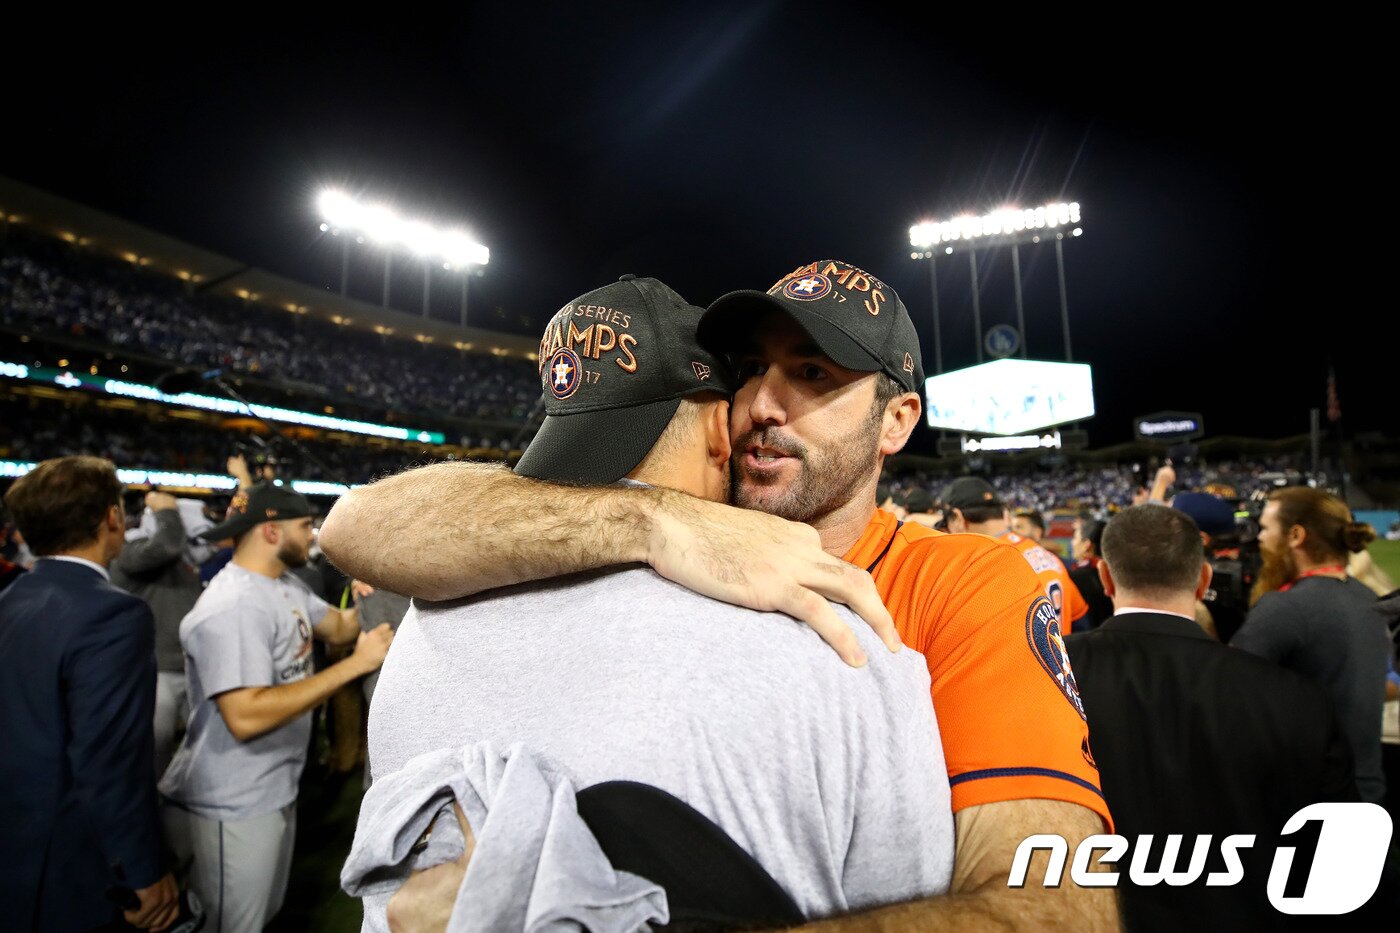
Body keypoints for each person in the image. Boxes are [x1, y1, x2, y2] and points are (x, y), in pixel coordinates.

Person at [322, 260, 1116, 928]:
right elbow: (359, 523)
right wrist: (652, 520)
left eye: (812, 374)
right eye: (750, 370)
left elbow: (1057, 906)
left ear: (897, 419)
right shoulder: (658, 527)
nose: (763, 405)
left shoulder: (961, 583)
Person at [1066, 504, 1358, 932]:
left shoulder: (1049, 673)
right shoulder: (1292, 696)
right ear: (1203, 580)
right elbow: (1337, 862)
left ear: (1106, 577)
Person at [158, 482, 395, 933]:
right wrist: (352, 669)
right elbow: (245, 716)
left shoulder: (278, 584)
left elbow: (341, 630)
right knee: (233, 925)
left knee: (258, 915)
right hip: (229, 798)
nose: (312, 535)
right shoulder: (232, 605)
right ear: (271, 531)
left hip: (267, 787)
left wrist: (372, 584)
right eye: (305, 526)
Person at [0, 456, 180, 932]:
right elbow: (110, 761)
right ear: (111, 518)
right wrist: (142, 869)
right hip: (72, 861)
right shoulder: (112, 617)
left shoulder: (11, 598)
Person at [1231, 486, 1392, 804]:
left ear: (1295, 536)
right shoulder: (1368, 598)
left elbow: (1223, 696)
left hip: (1309, 806)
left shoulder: (1286, 607)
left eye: (1265, 528)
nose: (1259, 539)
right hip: (1367, 799)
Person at [112, 490, 215, 775]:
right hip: (155, 670)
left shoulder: (182, 558)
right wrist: (167, 510)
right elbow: (168, 545)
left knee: (202, 750)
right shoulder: (129, 549)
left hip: (188, 666)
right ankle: (152, 814)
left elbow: (204, 543)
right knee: (153, 754)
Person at [939, 475, 1091, 633]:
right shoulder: (1047, 556)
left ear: (957, 518)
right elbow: (1080, 622)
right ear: (1005, 515)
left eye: (946, 525)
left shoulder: (981, 566)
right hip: (1060, 653)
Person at [1068, 515, 1112, 629]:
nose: (1072, 543)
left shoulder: (1073, 577)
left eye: (1075, 537)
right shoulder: (1120, 573)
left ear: (1086, 544)